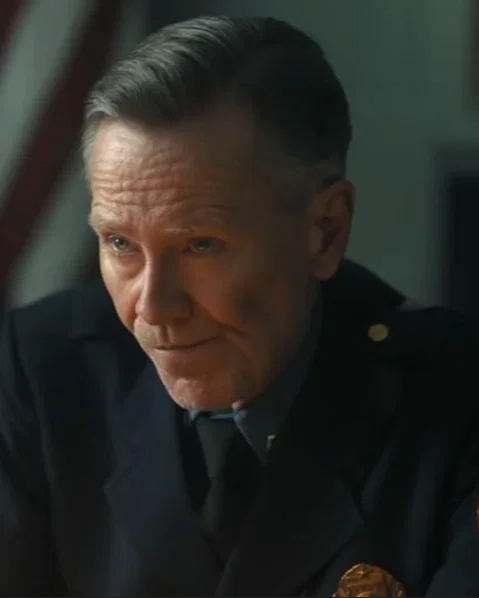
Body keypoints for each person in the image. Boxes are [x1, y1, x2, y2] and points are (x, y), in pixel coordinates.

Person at [0, 15, 478, 598]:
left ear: (325, 231)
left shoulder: (455, 399)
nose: (154, 307)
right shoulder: (38, 372)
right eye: (120, 243)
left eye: (200, 245)